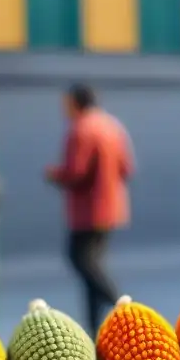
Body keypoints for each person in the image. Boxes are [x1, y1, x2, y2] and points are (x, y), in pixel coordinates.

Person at [45, 84, 134, 333]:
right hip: (111, 207)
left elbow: (76, 172)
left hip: (88, 210)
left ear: (76, 102)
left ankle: (122, 306)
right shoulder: (113, 126)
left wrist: (54, 174)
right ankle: (95, 328)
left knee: (82, 261)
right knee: (94, 265)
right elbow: (127, 167)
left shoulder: (81, 129)